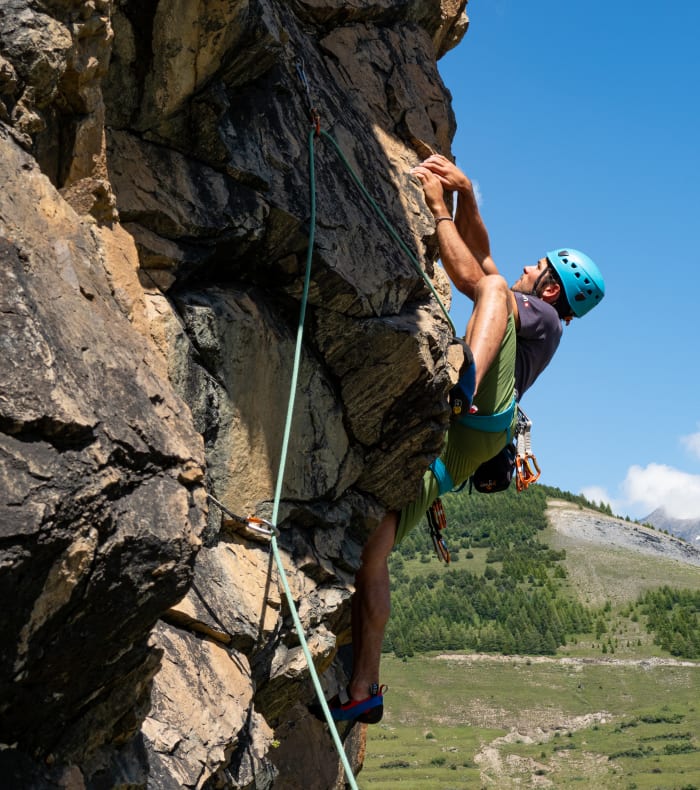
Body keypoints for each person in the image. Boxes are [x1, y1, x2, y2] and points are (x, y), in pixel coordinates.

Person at [326, 155, 605, 725]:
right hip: (465, 448)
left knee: (492, 286)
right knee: (373, 552)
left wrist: (436, 207)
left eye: (538, 266)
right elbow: (481, 257)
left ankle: (463, 382)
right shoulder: (535, 316)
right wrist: (466, 198)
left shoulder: (541, 319)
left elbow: (478, 279)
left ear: (551, 285)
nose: (527, 266)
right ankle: (365, 688)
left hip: (481, 416)